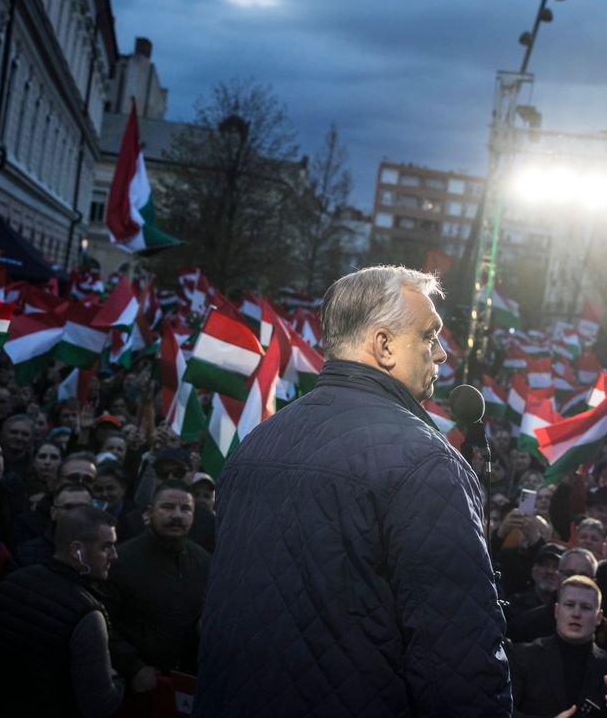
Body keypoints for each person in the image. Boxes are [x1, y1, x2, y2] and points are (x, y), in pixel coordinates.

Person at [195, 266, 510, 716]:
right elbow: (460, 667)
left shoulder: (255, 445)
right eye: (429, 336)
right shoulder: (427, 465)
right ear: (383, 346)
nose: (441, 354)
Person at [0, 505, 124, 717]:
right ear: (78, 551)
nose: (114, 555)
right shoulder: (87, 614)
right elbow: (99, 705)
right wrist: (116, 679)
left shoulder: (12, 581)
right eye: (106, 547)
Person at [101, 480, 210, 688]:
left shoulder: (204, 561)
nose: (177, 515)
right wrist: (133, 666)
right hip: (138, 683)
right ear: (150, 512)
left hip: (186, 680)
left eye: (185, 508)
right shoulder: (120, 560)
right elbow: (102, 624)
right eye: (168, 507)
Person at [509, 575, 607, 717]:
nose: (576, 614)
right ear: (556, 611)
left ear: (598, 617)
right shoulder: (522, 657)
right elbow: (501, 712)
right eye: (569, 605)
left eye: (586, 607)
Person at [511, 548, 598, 643]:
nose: (575, 581)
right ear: (557, 577)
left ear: (594, 582)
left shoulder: (603, 631)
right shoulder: (527, 624)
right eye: (569, 574)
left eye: (583, 576)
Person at [14, 482, 93, 567]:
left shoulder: (106, 549)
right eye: (68, 508)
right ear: (53, 513)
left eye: (83, 507)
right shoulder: (26, 552)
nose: (76, 513)